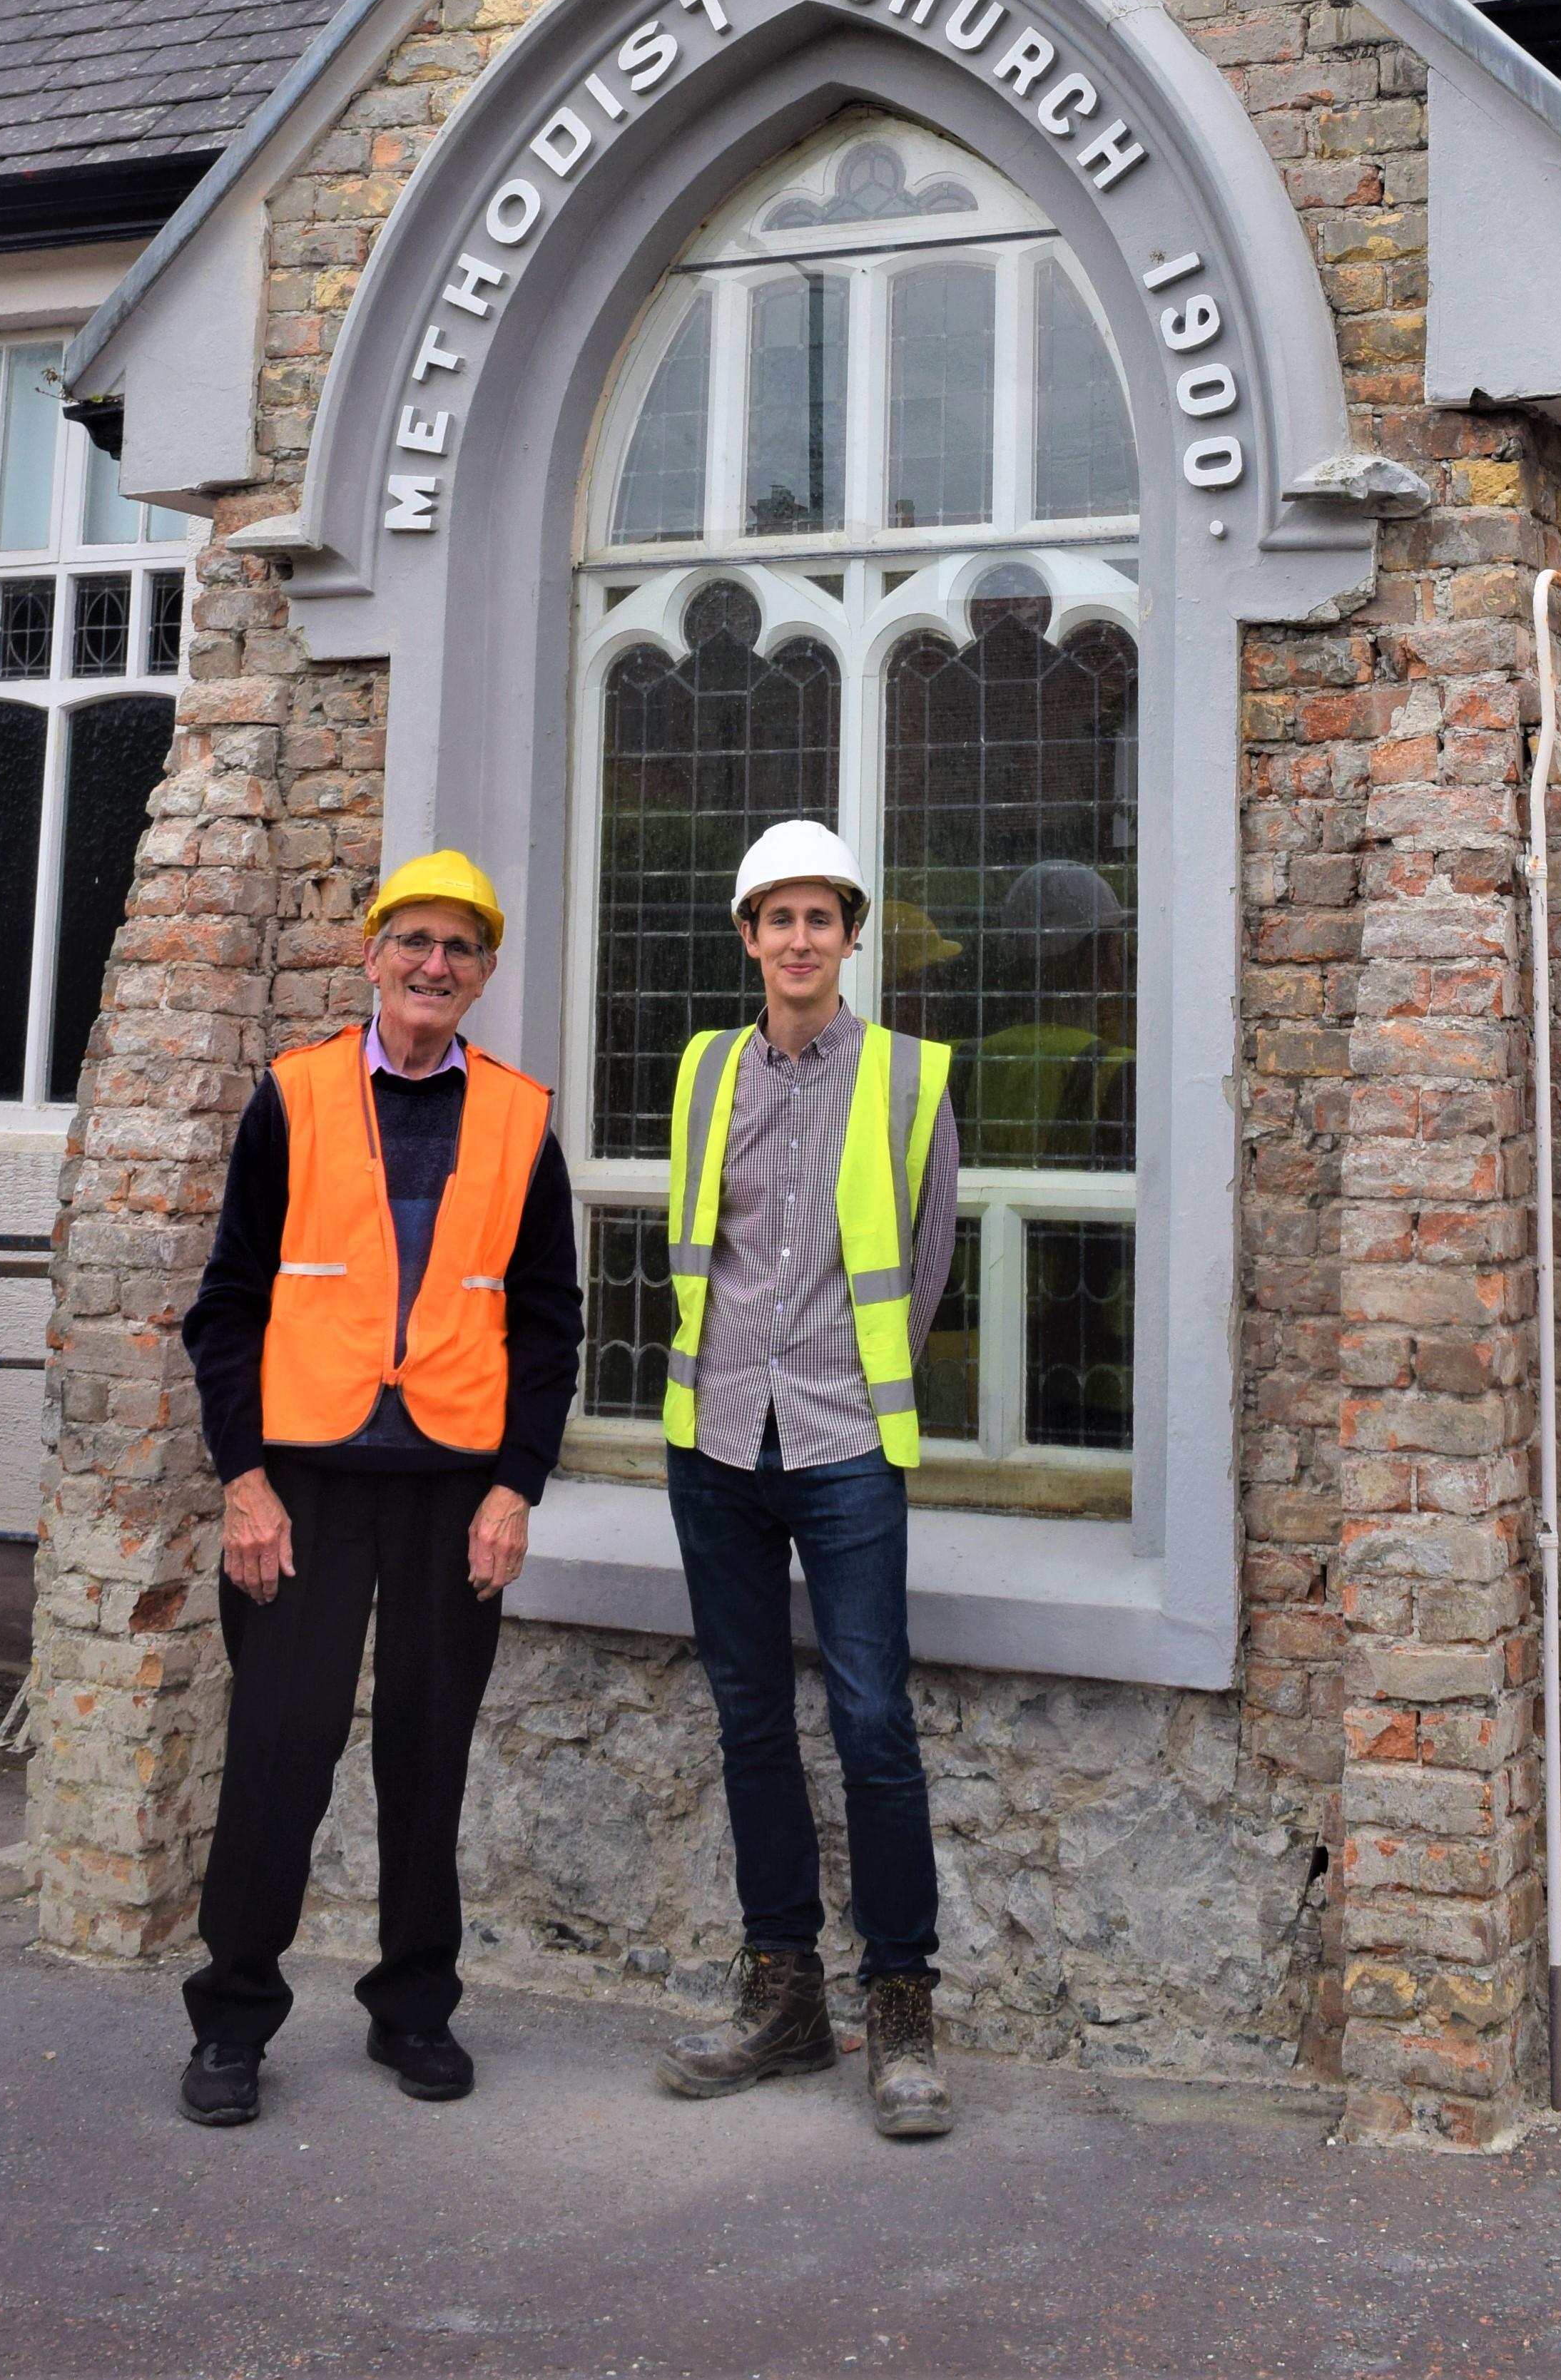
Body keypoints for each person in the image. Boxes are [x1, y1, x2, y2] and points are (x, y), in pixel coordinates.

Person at [173, 850, 582, 2128]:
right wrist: (243, 1480)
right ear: (371, 953)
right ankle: (232, 2022)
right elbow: (228, 1304)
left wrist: (516, 1487)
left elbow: (550, 1323)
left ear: (484, 973)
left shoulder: (520, 1117)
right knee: (278, 1759)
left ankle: (413, 2009)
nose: (433, 965)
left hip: (452, 1492)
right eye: (413, 939)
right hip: (300, 1485)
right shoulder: (292, 1097)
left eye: (459, 948)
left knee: (427, 1757)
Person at [654, 819, 960, 2142]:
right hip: (716, 1438)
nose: (796, 940)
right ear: (746, 936)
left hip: (843, 1440)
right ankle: (784, 1993)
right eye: (774, 919)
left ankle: (901, 2002)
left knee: (874, 1723)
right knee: (747, 1719)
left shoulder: (906, 1073)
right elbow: (694, 1238)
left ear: (850, 933)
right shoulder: (704, 1067)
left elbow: (931, 1255)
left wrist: (850, 1375)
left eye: (818, 918)